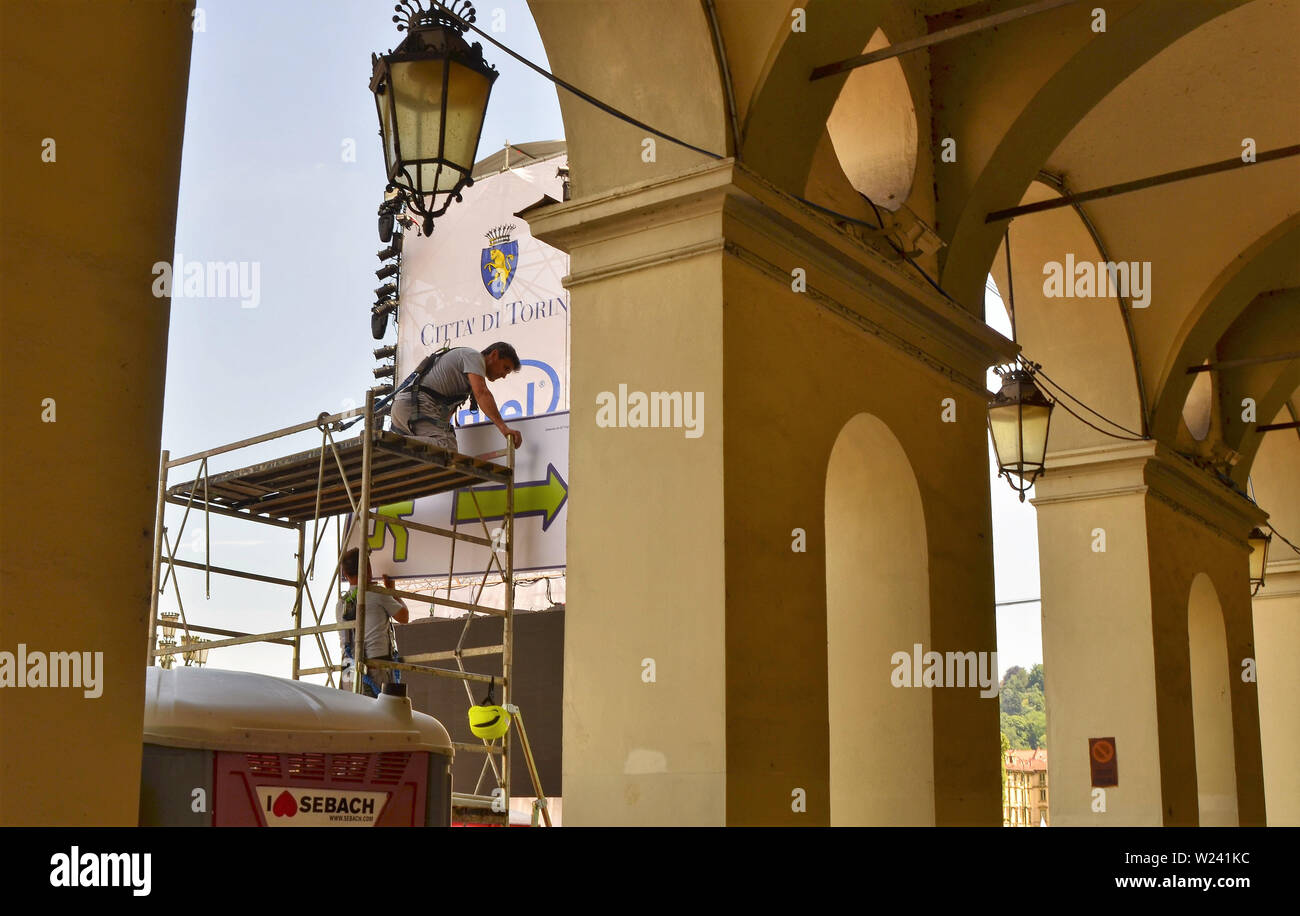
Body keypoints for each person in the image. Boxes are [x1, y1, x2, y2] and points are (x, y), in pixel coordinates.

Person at [390, 341, 524, 451]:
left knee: (436, 455)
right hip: (415, 405)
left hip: (407, 408)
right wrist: (504, 428)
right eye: (505, 368)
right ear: (494, 355)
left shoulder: (463, 383)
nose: (504, 376)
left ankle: (390, 443)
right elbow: (482, 393)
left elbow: (444, 418)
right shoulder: (474, 357)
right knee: (446, 446)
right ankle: (386, 444)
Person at [336, 547, 409, 697]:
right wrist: (392, 593)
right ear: (368, 568)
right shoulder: (377, 594)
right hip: (375, 665)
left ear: (345, 574)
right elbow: (404, 617)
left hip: (348, 669)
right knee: (380, 716)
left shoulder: (341, 604)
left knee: (353, 715)